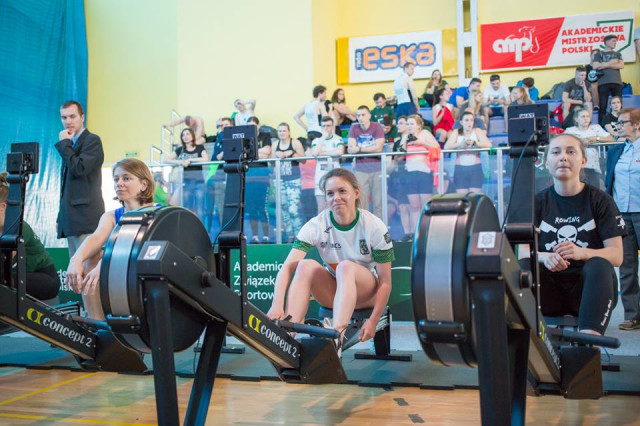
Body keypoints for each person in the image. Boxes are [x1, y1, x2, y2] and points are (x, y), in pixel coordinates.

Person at [266, 167, 394, 353]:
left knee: (345, 267)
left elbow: (385, 283)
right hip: (335, 293)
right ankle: (286, 337)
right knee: (304, 265)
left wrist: (373, 320)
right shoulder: (316, 225)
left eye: (342, 191)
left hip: (367, 295)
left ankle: (336, 339)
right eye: (330, 193)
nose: (336, 198)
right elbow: (287, 268)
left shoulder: (374, 226)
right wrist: (276, 304)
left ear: (356, 192)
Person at [532, 133, 624, 336]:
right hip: (548, 291)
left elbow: (617, 256)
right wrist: (546, 257)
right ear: (546, 162)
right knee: (524, 266)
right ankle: (524, 348)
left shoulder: (601, 201)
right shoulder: (536, 203)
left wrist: (582, 253)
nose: (563, 157)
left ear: (583, 160)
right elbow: (518, 254)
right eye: (556, 152)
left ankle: (588, 345)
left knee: (600, 264)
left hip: (588, 292)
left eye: (570, 151)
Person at [65, 158, 157, 319]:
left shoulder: (159, 213)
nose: (119, 183)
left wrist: (105, 263)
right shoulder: (111, 216)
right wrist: (75, 260)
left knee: (100, 262)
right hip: (119, 272)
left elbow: (145, 249)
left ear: (144, 185)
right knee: (89, 260)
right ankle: (99, 328)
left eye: (126, 178)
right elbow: (95, 238)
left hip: (146, 270)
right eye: (116, 179)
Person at [56, 100, 105, 261]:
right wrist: (60, 217)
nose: (68, 121)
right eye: (64, 117)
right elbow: (67, 186)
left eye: (72, 116)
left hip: (85, 218)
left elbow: (80, 169)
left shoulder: (92, 140)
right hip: (71, 219)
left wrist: (64, 144)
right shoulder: (70, 144)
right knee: (75, 274)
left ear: (82, 117)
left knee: (86, 272)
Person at [605, 108, 640, 330]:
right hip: (622, 215)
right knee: (626, 267)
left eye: (623, 123)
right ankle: (633, 315)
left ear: (637, 125)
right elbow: (610, 181)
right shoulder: (616, 150)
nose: (618, 127)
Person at [0, 173, 59, 301]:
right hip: (24, 275)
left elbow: (5, 262)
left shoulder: (18, 227)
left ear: (3, 206)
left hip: (46, 279)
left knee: (3, 278)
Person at [347, 106, 385, 219]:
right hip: (360, 170)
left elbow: (378, 148)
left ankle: (379, 230)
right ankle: (364, 229)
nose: (360, 118)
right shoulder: (354, 128)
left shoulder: (377, 127)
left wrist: (359, 149)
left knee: (379, 202)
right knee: (362, 203)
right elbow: (350, 148)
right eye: (358, 115)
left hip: (377, 169)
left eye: (363, 115)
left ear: (369, 115)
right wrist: (364, 149)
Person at [563, 107, 613, 189]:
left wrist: (596, 138)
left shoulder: (596, 128)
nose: (586, 119)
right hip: (575, 169)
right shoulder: (570, 130)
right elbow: (561, 143)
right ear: (576, 119)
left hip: (593, 169)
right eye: (583, 116)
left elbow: (611, 139)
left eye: (588, 116)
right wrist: (578, 141)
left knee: (593, 196)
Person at [405, 115, 440, 229]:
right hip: (409, 173)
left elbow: (436, 146)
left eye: (412, 124)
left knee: (426, 205)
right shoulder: (406, 136)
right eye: (408, 124)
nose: (409, 126)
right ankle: (416, 232)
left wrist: (421, 142)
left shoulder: (425, 133)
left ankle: (427, 230)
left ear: (419, 125)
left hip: (424, 172)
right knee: (414, 206)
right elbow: (400, 151)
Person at [444, 111, 492, 194]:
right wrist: (461, 144)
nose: (469, 123)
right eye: (466, 120)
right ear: (461, 122)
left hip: (475, 168)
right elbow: (447, 146)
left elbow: (489, 145)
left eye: (471, 120)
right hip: (460, 169)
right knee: (462, 196)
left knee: (474, 196)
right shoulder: (456, 132)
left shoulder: (477, 131)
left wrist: (475, 143)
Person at [274, 123, 306, 242]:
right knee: (284, 210)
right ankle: (290, 237)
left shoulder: (295, 143)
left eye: (284, 131)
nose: (282, 133)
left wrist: (291, 154)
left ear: (289, 132)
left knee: (293, 209)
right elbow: (271, 163)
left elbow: (304, 160)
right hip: (280, 180)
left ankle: (299, 236)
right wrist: (276, 156)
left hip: (294, 180)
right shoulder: (275, 145)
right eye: (279, 131)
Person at [165, 128, 208, 215]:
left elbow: (206, 159)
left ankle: (200, 228)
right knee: (188, 210)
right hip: (186, 183)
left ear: (192, 135)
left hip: (199, 183)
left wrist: (191, 159)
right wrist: (180, 161)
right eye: (183, 135)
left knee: (200, 210)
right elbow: (166, 160)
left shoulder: (199, 147)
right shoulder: (180, 149)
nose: (185, 136)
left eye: (187, 134)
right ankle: (189, 228)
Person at [246, 116, 273, 243]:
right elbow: (244, 154)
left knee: (262, 208)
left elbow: (267, 152)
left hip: (262, 179)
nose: (251, 128)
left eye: (253, 125)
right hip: (248, 179)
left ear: (258, 126)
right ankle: (255, 237)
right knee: (251, 208)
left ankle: (266, 237)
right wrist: (258, 154)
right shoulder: (245, 138)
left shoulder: (265, 136)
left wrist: (251, 153)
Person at [204, 117, 233, 234]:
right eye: (222, 125)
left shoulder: (233, 137)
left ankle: (224, 232)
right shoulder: (220, 137)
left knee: (222, 207)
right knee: (208, 207)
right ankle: (207, 232)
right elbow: (218, 157)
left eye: (226, 124)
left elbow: (225, 155)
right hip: (213, 176)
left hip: (225, 177)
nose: (224, 127)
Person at [312, 116, 345, 212]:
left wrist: (323, 153)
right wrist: (323, 138)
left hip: (335, 177)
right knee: (321, 208)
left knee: (335, 207)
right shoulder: (317, 141)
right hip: (320, 177)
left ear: (333, 126)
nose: (326, 128)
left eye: (328, 126)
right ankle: (323, 228)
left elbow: (339, 152)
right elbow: (314, 153)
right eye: (324, 126)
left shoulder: (338, 139)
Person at [388, 116, 412, 239]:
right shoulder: (397, 142)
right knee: (403, 206)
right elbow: (395, 159)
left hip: (412, 176)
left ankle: (414, 232)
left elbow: (401, 156)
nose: (398, 125)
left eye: (401, 123)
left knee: (411, 206)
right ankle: (407, 233)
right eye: (398, 123)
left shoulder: (413, 138)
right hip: (400, 178)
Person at [592, 35, 624, 125]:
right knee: (603, 106)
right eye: (613, 41)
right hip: (603, 83)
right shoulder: (599, 54)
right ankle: (602, 127)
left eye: (615, 41)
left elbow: (621, 65)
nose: (615, 43)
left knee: (619, 106)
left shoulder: (618, 54)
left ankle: (620, 125)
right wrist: (612, 62)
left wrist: (604, 65)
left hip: (617, 82)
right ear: (607, 42)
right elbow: (595, 66)